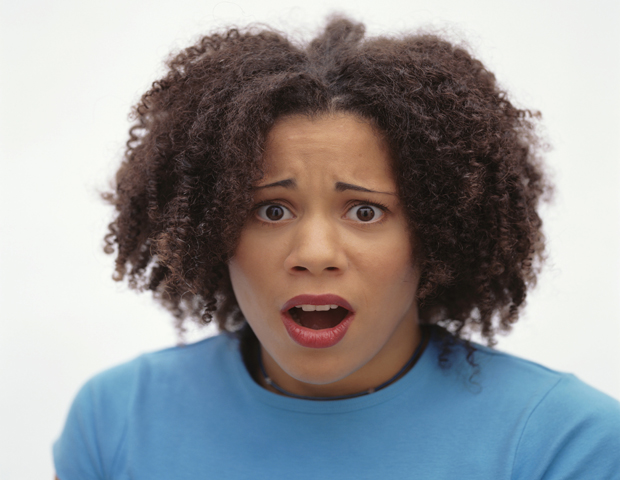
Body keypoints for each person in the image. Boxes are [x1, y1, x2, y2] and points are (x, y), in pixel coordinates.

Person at [54, 16, 620, 479]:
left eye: (366, 211)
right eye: (270, 210)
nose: (315, 252)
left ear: (438, 233)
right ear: (209, 228)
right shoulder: (116, 420)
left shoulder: (564, 444)